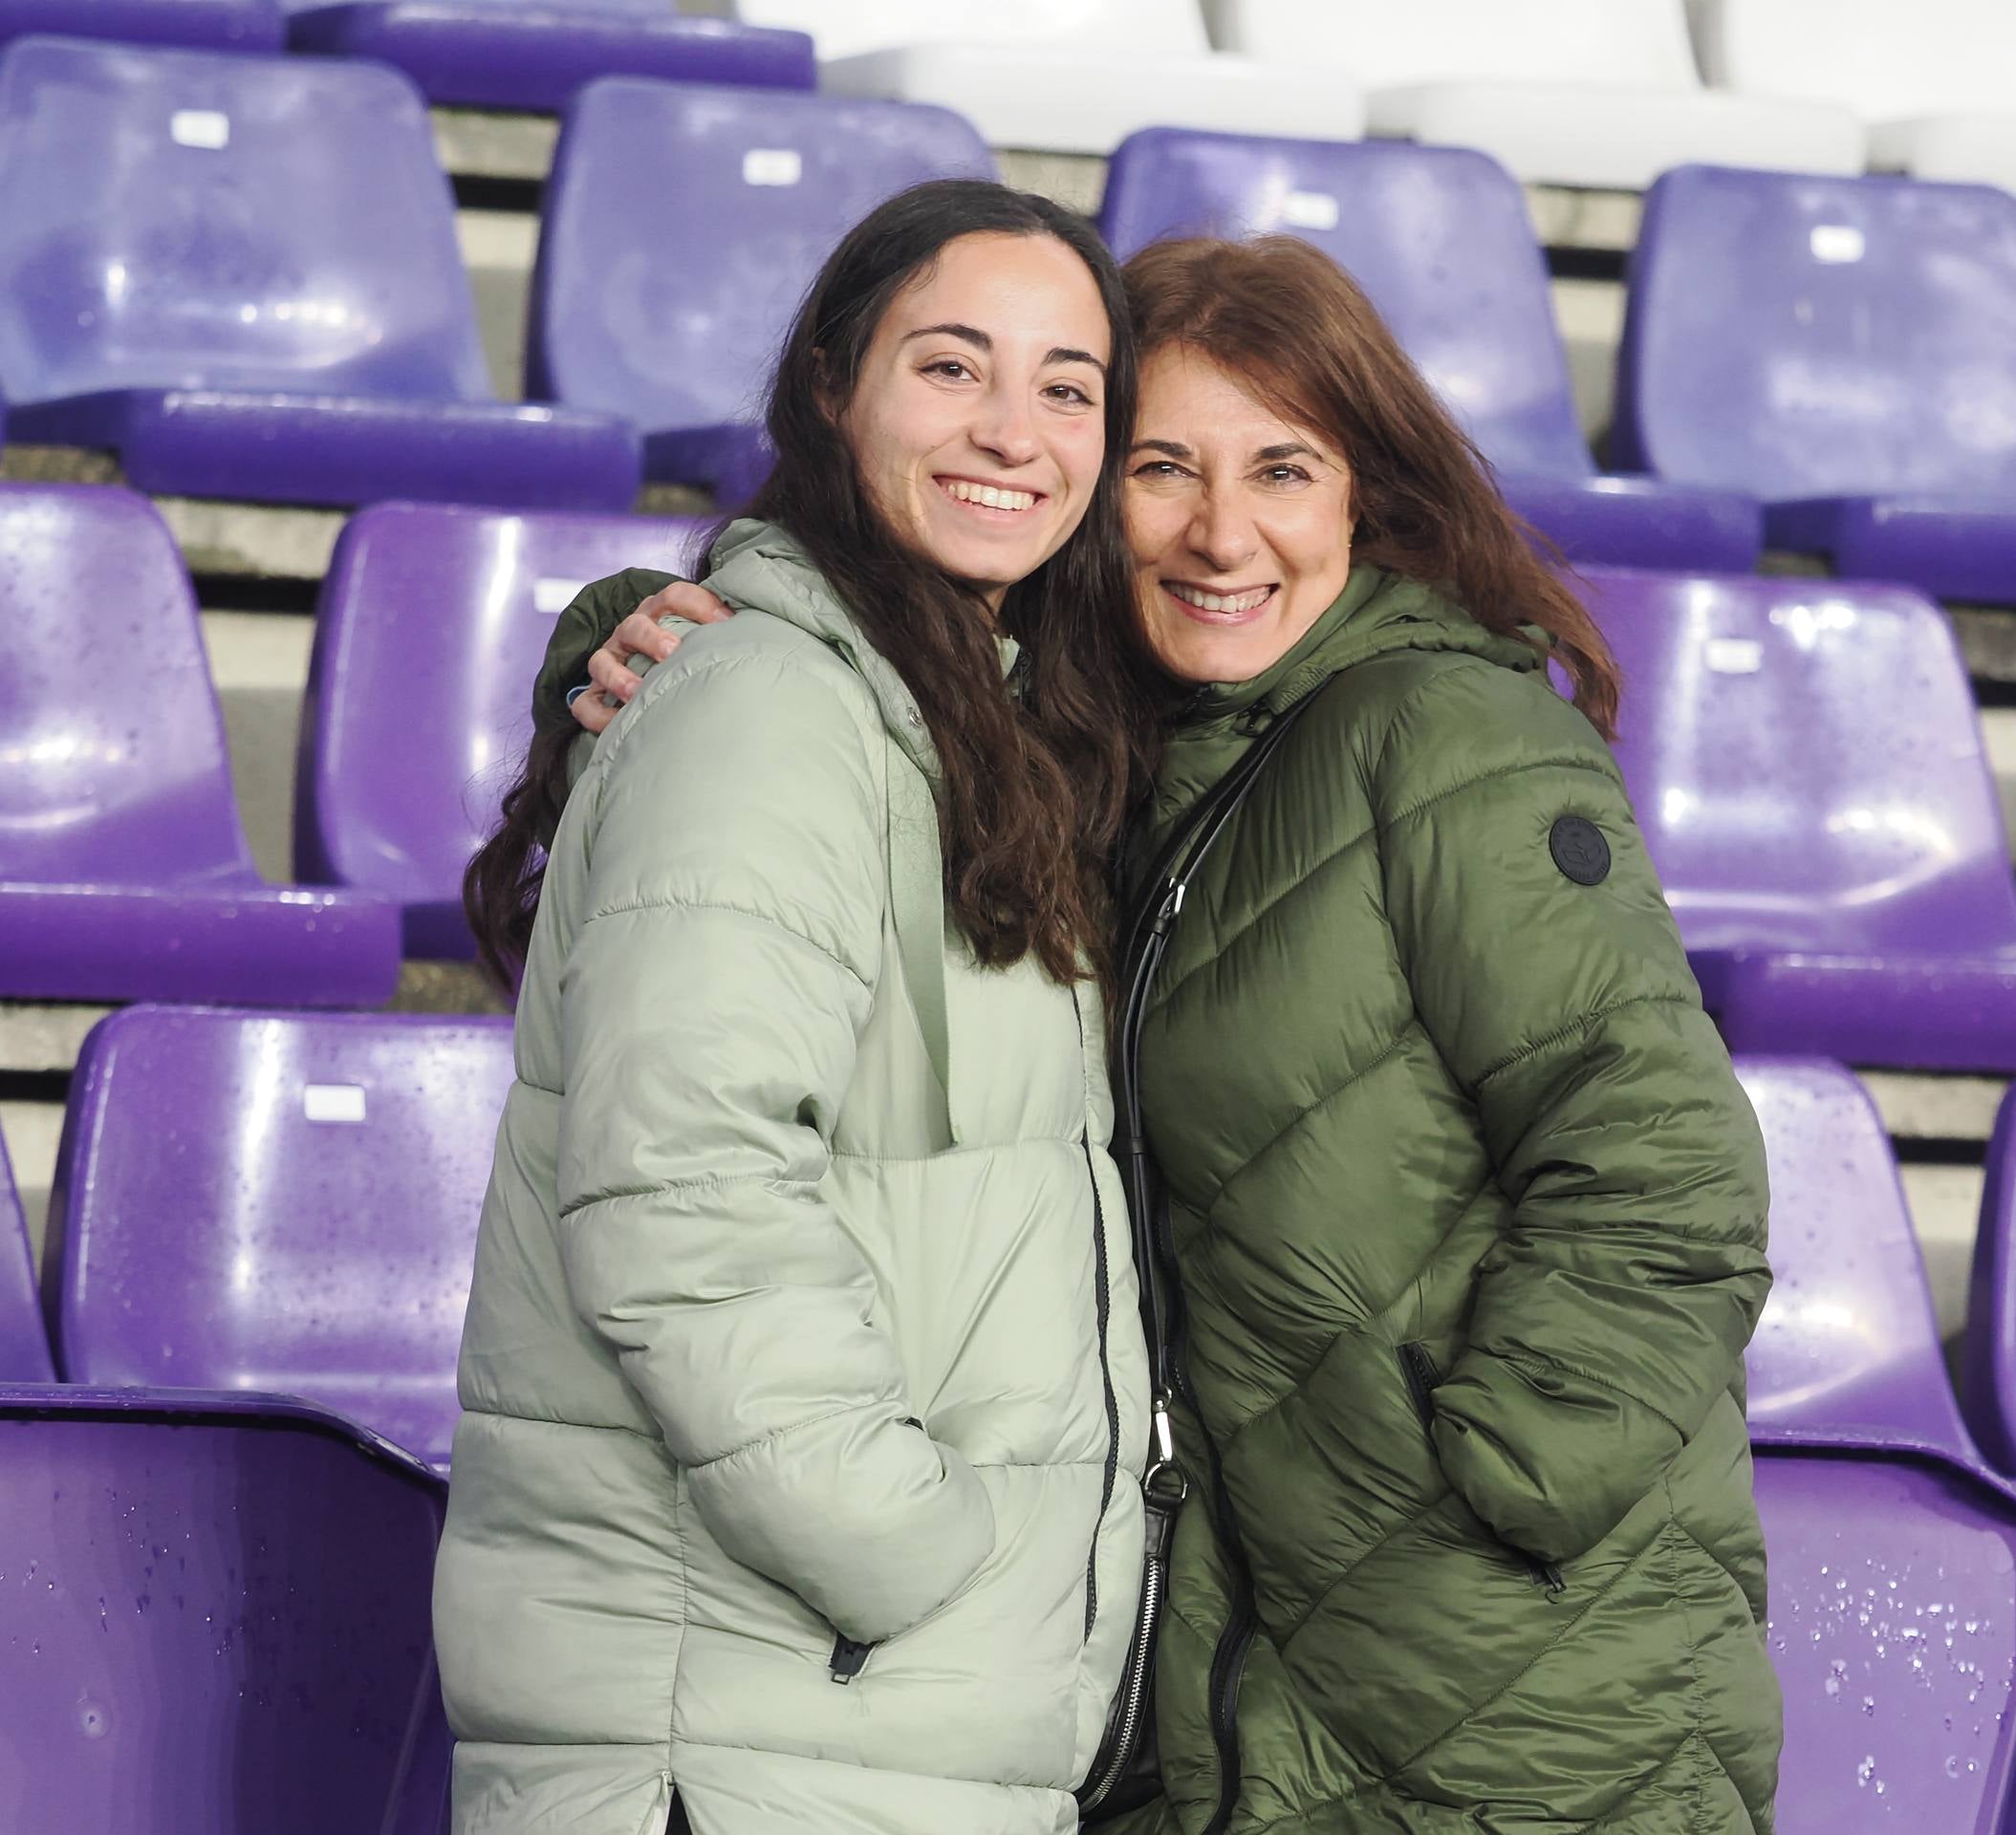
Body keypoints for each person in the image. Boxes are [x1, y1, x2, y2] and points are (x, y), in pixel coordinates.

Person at [547, 234, 1783, 1833]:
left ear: (1365, 495)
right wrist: (636, 640)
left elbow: (1665, 1170)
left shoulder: (1447, 739)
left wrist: (1489, 1483)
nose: (1220, 532)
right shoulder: (1114, 764)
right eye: (1160, 469)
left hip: (1517, 1677)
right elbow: (823, 776)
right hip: (1239, 1671)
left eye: (1283, 468)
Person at [434, 181, 1163, 1835]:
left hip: (844, 1724)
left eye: (1068, 388)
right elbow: (682, 1179)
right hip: (763, 1713)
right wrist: (898, 1546)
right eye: (951, 367)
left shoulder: (980, 722)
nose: (1014, 429)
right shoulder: (773, 706)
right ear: (830, 386)